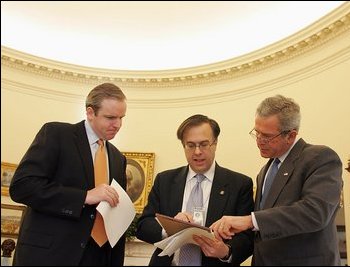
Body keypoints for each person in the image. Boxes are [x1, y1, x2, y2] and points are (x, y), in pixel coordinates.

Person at [210, 95, 343, 266]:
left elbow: (315, 212)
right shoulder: (264, 171)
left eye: (266, 136)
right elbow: (263, 230)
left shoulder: (320, 158)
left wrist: (250, 220)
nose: (259, 141)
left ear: (291, 135)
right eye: (256, 132)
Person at [9, 83, 128, 266]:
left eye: (121, 118)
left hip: (98, 257)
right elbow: (22, 187)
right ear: (90, 112)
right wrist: (84, 196)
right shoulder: (56, 134)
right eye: (111, 117)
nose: (118, 124)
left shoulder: (118, 158)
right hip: (51, 255)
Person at [136, 114, 254, 266]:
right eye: (191, 145)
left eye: (204, 144)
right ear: (183, 146)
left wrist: (226, 251)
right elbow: (143, 225)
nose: (197, 152)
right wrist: (170, 229)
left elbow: (247, 238)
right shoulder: (164, 180)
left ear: (215, 143)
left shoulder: (239, 184)